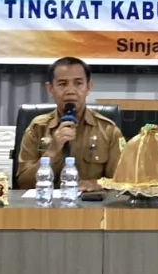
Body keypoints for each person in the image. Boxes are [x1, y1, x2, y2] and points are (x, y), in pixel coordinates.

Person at [16, 57, 125, 191]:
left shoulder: (108, 130)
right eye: (62, 84)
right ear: (50, 89)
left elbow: (122, 182)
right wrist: (52, 151)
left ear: (88, 87)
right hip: (46, 202)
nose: (70, 91)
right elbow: (23, 183)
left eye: (78, 83)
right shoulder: (37, 128)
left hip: (89, 202)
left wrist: (98, 184)